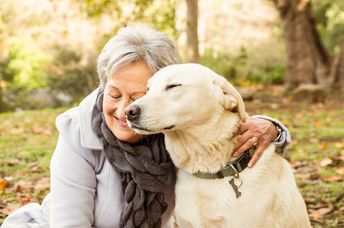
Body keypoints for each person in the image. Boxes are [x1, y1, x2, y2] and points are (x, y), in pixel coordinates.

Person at [2, 25, 291, 228]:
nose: (125, 109)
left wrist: (273, 128)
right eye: (114, 94)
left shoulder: (176, 130)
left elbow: (221, 124)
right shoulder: (78, 133)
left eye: (138, 97)